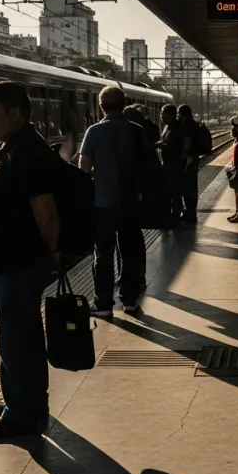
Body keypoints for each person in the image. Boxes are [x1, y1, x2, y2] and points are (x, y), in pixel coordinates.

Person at [0, 81, 58, 438]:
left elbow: (46, 211)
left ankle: (20, 415)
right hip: (9, 262)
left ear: (16, 114)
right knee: (22, 335)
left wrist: (54, 253)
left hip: (17, 262)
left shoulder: (28, 153)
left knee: (14, 339)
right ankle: (24, 400)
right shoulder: (13, 146)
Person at [78, 86, 148, 318]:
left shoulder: (94, 132)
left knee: (103, 254)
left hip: (103, 203)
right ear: (124, 103)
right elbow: (145, 165)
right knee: (129, 252)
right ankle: (129, 300)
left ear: (101, 106)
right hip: (130, 201)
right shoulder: (136, 131)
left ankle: (103, 303)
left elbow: (84, 169)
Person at [158, 104, 191, 221]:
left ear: (171, 115)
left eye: (163, 113)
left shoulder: (178, 127)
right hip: (167, 163)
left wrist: (164, 146)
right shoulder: (167, 127)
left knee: (175, 189)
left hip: (175, 164)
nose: (161, 116)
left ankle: (176, 214)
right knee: (170, 189)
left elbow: (184, 143)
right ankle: (173, 212)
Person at [177, 104, 205, 224]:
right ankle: (190, 212)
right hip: (193, 158)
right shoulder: (194, 124)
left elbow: (188, 141)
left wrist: (183, 153)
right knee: (191, 185)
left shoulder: (188, 126)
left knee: (188, 187)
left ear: (184, 114)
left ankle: (190, 213)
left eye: (179, 113)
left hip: (189, 160)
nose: (178, 116)